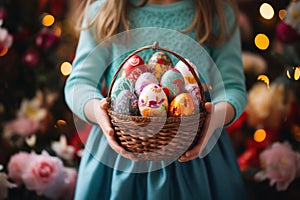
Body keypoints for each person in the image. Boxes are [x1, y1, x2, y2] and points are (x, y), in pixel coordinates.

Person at [64, 0, 249, 199]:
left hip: (197, 154)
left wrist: (216, 117)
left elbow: (232, 87)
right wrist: (99, 113)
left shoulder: (216, 12)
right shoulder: (104, 11)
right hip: (120, 154)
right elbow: (79, 83)